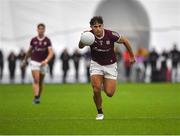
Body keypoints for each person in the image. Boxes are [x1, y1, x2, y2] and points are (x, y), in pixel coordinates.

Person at [78, 16, 135, 120]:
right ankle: (100, 112)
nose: (98, 28)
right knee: (96, 89)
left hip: (110, 65)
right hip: (96, 64)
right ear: (91, 27)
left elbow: (125, 41)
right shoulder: (89, 35)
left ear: (103, 26)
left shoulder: (111, 34)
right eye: (95, 27)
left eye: (100, 26)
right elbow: (80, 47)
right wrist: (83, 39)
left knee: (110, 93)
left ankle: (104, 83)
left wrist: (132, 56)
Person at [22, 23, 54, 104]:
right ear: (37, 30)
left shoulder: (47, 40)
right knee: (36, 79)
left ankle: (38, 96)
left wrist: (46, 61)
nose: (41, 30)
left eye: (42, 29)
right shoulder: (33, 40)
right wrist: (25, 60)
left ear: (44, 30)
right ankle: (36, 97)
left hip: (43, 63)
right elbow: (29, 51)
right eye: (39, 29)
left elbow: (51, 53)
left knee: (41, 81)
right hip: (34, 61)